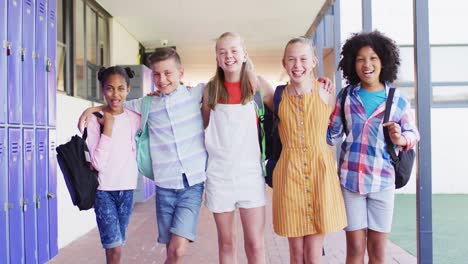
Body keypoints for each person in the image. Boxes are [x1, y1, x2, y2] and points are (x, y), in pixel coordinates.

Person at [79, 48, 207, 264]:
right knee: (169, 251)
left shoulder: (196, 94)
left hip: (191, 184)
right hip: (164, 185)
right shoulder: (147, 105)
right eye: (156, 74)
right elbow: (117, 106)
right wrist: (92, 110)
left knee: (177, 251)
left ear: (181, 73)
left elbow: (226, 84)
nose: (162, 79)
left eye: (168, 73)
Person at [327, 31, 420, 264]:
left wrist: (400, 139)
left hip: (382, 182)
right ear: (352, 63)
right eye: (360, 59)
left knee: (378, 252)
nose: (366, 64)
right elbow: (332, 135)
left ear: (384, 62)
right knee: (355, 250)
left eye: (373, 58)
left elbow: (413, 133)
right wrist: (320, 105)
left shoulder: (396, 99)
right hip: (351, 182)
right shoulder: (346, 96)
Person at [271, 36, 347, 264]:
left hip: (320, 176)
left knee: (313, 255)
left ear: (314, 61)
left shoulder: (326, 91)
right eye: (291, 60)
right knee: (296, 254)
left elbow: (335, 128)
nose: (297, 65)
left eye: (303, 59)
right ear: (284, 63)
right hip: (289, 176)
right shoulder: (277, 96)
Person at [201, 32, 274, 264]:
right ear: (217, 59)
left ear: (244, 55)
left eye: (233, 50)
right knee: (226, 242)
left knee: (255, 244)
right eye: (222, 52)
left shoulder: (258, 86)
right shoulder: (209, 90)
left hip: (250, 175)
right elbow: (203, 126)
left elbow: (288, 107)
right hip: (218, 176)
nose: (228, 56)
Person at [87, 66, 141, 264]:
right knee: (114, 249)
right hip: (104, 192)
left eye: (120, 88)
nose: (115, 94)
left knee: (118, 246)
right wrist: (108, 128)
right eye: (110, 88)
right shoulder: (95, 121)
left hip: (127, 190)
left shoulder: (135, 118)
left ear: (128, 89)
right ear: (103, 89)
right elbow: (97, 163)